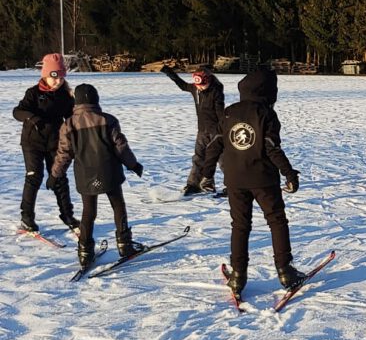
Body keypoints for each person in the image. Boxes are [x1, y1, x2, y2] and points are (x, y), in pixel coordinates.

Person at [202, 69, 304, 297]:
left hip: (235, 180)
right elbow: (271, 147)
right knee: (277, 221)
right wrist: (289, 174)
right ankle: (285, 271)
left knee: (240, 226)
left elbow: (215, 145)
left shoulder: (229, 113)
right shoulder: (266, 113)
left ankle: (238, 276)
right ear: (268, 92)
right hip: (263, 179)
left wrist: (207, 173)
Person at [51, 84, 145, 268]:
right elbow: (121, 146)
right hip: (109, 171)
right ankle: (125, 245)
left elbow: (64, 153)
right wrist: (133, 164)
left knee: (89, 212)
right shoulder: (108, 120)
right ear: (96, 99)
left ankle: (85, 251)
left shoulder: (68, 125)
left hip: (85, 173)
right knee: (118, 205)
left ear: (76, 101)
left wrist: (55, 174)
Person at [12, 53, 79, 234]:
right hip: (32, 143)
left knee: (58, 177)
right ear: (45, 75)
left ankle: (67, 215)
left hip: (54, 143)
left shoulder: (65, 96)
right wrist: (31, 117)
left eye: (61, 77)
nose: (57, 82)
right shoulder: (33, 93)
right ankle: (27, 218)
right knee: (34, 177)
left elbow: (71, 118)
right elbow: (17, 111)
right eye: (54, 77)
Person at [160, 64, 225, 194]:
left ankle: (232, 185)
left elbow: (220, 113)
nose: (199, 87)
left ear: (209, 80)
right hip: (202, 131)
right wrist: (170, 73)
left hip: (216, 132)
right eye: (197, 85)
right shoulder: (195, 89)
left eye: (202, 85)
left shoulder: (216, 92)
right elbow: (182, 85)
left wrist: (223, 130)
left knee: (223, 160)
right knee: (198, 158)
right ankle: (194, 184)